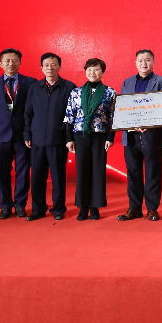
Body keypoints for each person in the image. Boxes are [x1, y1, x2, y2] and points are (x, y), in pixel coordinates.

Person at [118, 49, 162, 222]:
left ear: (153, 62)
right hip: (130, 135)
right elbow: (122, 107)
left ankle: (152, 209)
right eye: (140, 60)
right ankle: (134, 208)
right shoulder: (127, 82)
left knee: (152, 173)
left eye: (147, 60)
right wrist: (131, 123)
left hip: (152, 136)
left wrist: (147, 123)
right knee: (133, 173)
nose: (144, 63)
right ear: (135, 62)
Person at [0, 48, 37, 219]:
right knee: (2, 173)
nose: (11, 63)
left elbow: (34, 111)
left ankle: (20, 204)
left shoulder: (30, 83)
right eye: (7, 61)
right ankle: (5, 205)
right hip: (0, 135)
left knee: (23, 172)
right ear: (1, 64)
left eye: (14, 60)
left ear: (20, 62)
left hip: (23, 136)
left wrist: (31, 133)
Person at [23, 52, 76, 220]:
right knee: (37, 176)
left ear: (59, 67)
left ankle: (58, 209)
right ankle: (38, 209)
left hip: (58, 140)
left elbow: (72, 116)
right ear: (41, 68)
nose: (50, 68)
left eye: (53, 64)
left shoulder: (69, 87)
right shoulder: (34, 88)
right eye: (46, 65)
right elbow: (28, 113)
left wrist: (69, 138)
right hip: (37, 140)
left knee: (58, 177)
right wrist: (27, 133)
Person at [63, 58, 116, 221]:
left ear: (102, 72)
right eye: (89, 69)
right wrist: (69, 139)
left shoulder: (110, 92)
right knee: (82, 171)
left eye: (96, 69)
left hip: (100, 136)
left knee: (98, 171)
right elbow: (69, 116)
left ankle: (95, 207)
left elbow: (114, 117)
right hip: (81, 135)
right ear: (85, 72)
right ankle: (83, 207)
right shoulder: (76, 92)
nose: (93, 72)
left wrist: (110, 138)